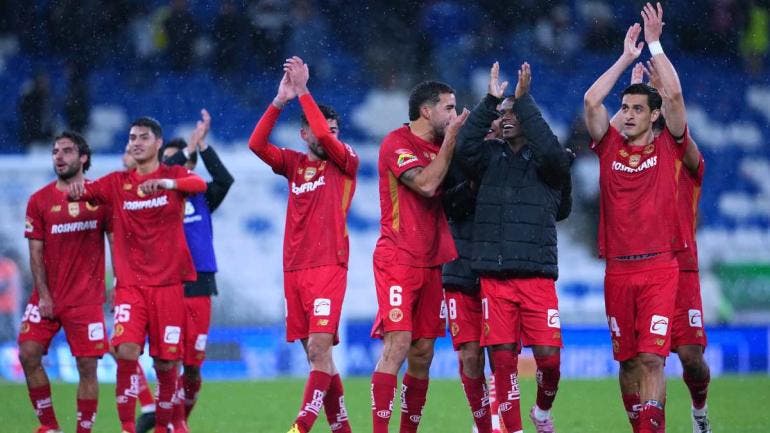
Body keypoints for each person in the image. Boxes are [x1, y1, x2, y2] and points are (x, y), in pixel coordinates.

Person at [583, 4, 689, 433]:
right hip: (617, 271)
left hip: (659, 268)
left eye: (636, 108)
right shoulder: (608, 147)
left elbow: (676, 98)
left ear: (655, 116)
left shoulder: (669, 147)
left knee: (651, 358)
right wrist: (627, 58)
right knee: (627, 363)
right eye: (624, 107)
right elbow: (592, 101)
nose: (627, 113)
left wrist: (656, 43)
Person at [68, 117, 206, 433]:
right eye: (132, 137)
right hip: (131, 286)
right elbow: (85, 191)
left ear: (158, 143)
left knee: (167, 364)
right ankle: (128, 427)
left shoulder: (174, 175)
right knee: (126, 350)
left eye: (144, 137)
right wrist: (77, 190)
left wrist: (168, 184)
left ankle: (167, 426)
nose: (136, 142)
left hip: (169, 285)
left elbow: (199, 185)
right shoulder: (117, 183)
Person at [454, 62, 572, 433]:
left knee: (549, 362)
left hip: (537, 277)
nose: (504, 119)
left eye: (511, 113)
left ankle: (541, 411)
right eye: (500, 114)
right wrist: (490, 99)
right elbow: (464, 145)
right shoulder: (488, 159)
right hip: (495, 278)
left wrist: (524, 100)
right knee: (502, 364)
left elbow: (552, 152)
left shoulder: (550, 164)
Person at [248, 56, 358, 433]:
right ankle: (341, 429)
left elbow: (329, 140)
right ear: (303, 134)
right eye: (320, 128)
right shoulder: (294, 164)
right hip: (294, 269)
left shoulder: (346, 162)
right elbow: (256, 143)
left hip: (329, 265)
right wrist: (280, 100)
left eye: (335, 129)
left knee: (318, 350)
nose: (330, 134)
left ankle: (301, 427)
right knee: (319, 360)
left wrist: (305, 91)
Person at [612, 60, 713, 433]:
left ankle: (699, 410)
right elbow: (612, 134)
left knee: (690, 357)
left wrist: (664, 85)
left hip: (681, 264)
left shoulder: (682, 156)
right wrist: (635, 87)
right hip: (644, 264)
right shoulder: (633, 156)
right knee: (644, 360)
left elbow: (675, 105)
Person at [369, 79, 468, 433]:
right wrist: (453, 142)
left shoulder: (442, 144)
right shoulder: (397, 143)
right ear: (427, 111)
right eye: (449, 108)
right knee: (398, 344)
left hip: (432, 260)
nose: (454, 115)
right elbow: (426, 185)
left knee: (423, 352)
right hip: (398, 257)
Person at [19, 131, 111, 433]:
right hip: (48, 297)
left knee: (87, 367)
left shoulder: (100, 198)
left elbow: (116, 239)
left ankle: (83, 430)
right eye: (55, 151)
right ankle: (50, 427)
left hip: (85, 300)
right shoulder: (39, 200)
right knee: (27, 353)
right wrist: (43, 296)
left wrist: (121, 283)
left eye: (67, 151)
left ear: (83, 157)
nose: (59, 156)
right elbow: (35, 251)